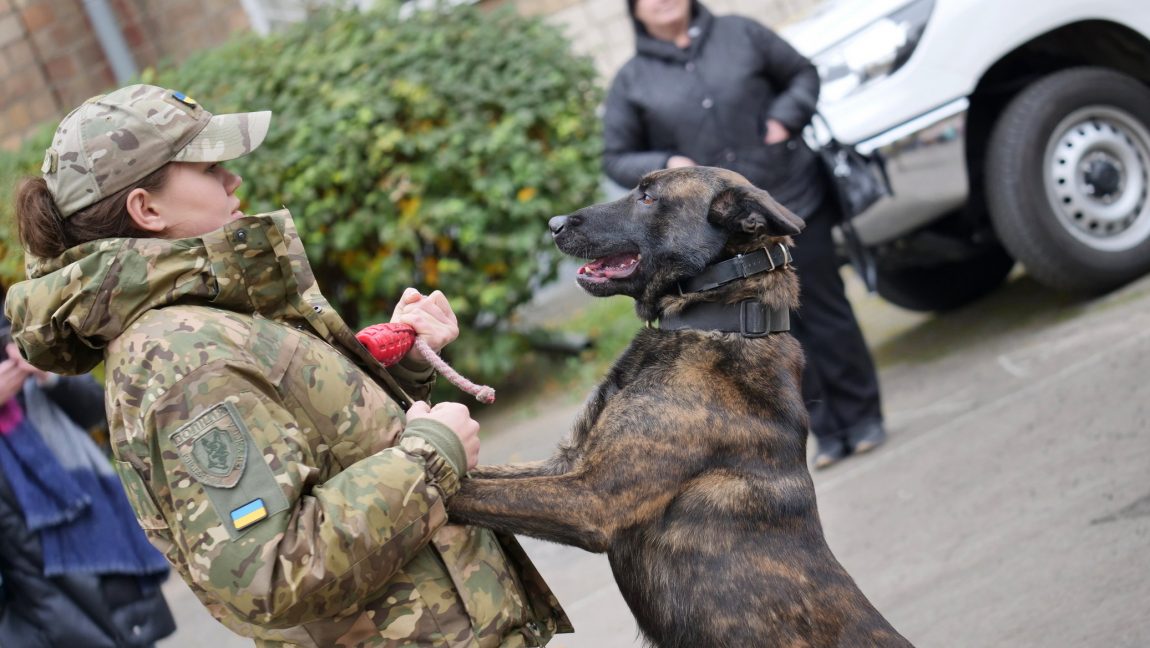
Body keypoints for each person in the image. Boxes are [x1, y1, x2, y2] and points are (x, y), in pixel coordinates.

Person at [4, 84, 570, 646]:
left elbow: (313, 453)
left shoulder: (206, 314)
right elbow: (269, 571)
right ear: (146, 209)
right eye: (208, 168)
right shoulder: (179, 355)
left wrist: (401, 372)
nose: (234, 180)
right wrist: (430, 457)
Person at [603, 0, 886, 469]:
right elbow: (616, 155)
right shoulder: (632, 80)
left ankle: (864, 415)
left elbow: (803, 74)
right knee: (776, 329)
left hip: (787, 202)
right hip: (718, 239)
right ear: (635, 10)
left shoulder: (741, 33)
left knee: (825, 309)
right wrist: (667, 164)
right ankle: (829, 432)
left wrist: (783, 119)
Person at [0, 306, 176, 647]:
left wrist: (46, 376)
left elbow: (97, 410)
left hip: (94, 526)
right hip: (28, 569)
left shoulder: (16, 328)